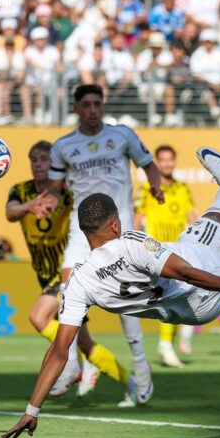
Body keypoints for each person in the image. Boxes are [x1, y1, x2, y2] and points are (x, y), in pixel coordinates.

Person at [0, 147, 220, 438]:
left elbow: (59, 350)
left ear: (85, 232)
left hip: (192, 313)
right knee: (218, 217)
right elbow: (183, 271)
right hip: (198, 269)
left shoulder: (78, 282)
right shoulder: (131, 242)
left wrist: (32, 408)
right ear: (116, 225)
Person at [43, 83, 164, 406]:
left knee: (129, 298)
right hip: (81, 231)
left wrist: (154, 185)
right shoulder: (63, 146)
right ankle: (70, 364)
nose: (93, 110)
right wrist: (48, 200)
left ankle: (141, 364)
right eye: (86, 105)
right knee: (68, 290)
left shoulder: (122, 135)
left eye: (98, 103)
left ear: (103, 105)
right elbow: (54, 187)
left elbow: (148, 164)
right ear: (76, 108)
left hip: (118, 230)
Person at [7, 140, 133, 399]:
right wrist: (28, 207)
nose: (38, 164)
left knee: (38, 317)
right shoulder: (20, 190)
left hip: (67, 271)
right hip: (44, 272)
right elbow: (11, 212)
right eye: (34, 159)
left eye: (44, 159)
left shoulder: (66, 192)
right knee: (85, 343)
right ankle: (134, 385)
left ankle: (71, 366)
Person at [134, 144, 196, 368]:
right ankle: (164, 344)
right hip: (156, 251)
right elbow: (137, 219)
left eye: (170, 159)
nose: (167, 163)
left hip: (179, 250)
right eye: (163, 160)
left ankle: (166, 344)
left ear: (174, 161)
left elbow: (192, 217)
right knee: (172, 297)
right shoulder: (147, 188)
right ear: (157, 163)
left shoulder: (183, 188)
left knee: (179, 298)